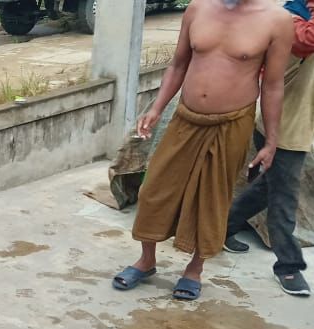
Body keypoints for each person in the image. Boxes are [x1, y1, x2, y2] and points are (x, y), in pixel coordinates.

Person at [112, 0, 294, 300]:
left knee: (212, 196)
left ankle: (194, 269)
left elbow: (273, 85)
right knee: (155, 189)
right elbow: (179, 64)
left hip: (232, 122)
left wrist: (271, 140)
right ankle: (146, 261)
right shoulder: (198, 8)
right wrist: (156, 108)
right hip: (186, 117)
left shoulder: (277, 20)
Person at [224, 0, 314, 296]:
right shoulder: (291, 23)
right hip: (282, 130)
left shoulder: (300, 16)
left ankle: (223, 227)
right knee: (283, 199)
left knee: (268, 188)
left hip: (295, 125)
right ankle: (288, 267)